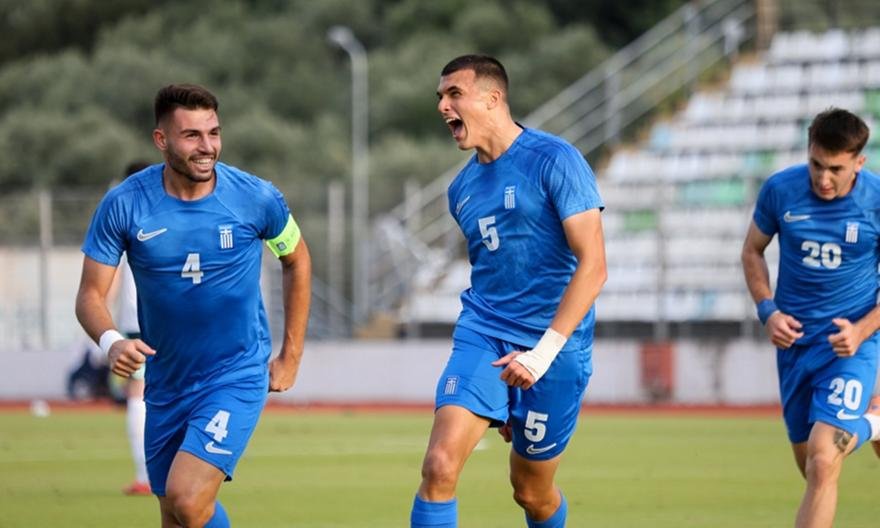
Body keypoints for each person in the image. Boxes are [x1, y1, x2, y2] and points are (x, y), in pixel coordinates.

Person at [75, 84, 311, 528]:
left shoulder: (256, 197)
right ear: (161, 140)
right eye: (192, 136)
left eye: (214, 133)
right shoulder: (124, 204)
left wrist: (291, 355)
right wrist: (111, 342)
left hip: (235, 374)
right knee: (175, 516)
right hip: (166, 381)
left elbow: (296, 261)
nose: (207, 147)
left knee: (187, 499)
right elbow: (89, 294)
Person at [410, 55, 607, 528]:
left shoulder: (555, 160)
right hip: (484, 333)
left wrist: (540, 355)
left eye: (454, 94)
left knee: (531, 493)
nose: (442, 106)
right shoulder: (460, 190)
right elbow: (494, 270)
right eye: (440, 96)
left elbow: (594, 266)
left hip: (555, 348)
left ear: (492, 98)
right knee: (439, 466)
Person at [741, 107, 880, 528]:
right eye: (816, 164)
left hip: (849, 346)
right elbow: (752, 251)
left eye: (836, 169)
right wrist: (768, 311)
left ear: (859, 161)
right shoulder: (780, 190)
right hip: (795, 348)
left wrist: (861, 330)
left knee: (823, 459)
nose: (823, 178)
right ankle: (873, 424)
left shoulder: (876, 202)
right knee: (812, 467)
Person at [113, 160, 151, 496]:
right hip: (166, 320)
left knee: (137, 395)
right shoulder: (167, 210)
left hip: (134, 323)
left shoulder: (120, 214)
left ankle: (144, 476)